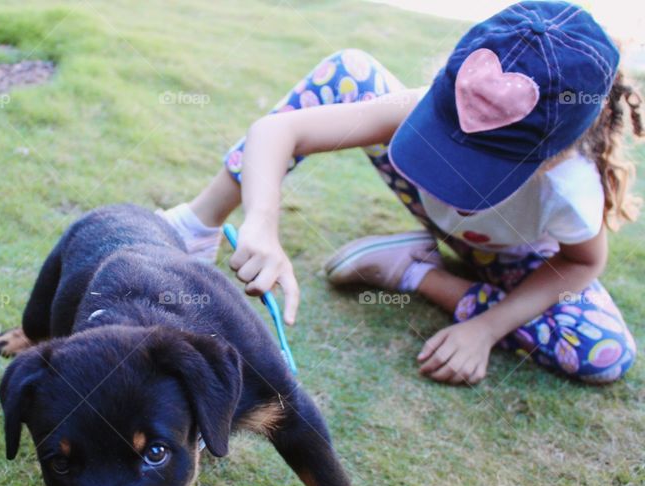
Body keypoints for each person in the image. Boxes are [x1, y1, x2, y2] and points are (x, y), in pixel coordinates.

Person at [160, 0, 642, 385]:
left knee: (606, 352)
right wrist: (261, 222)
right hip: (427, 207)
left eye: (481, 165)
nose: (455, 174)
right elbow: (276, 132)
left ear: (554, 155)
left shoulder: (571, 188)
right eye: (445, 137)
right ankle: (194, 226)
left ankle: (411, 270)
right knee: (348, 70)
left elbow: (581, 262)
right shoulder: (421, 103)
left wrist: (484, 328)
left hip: (508, 256)